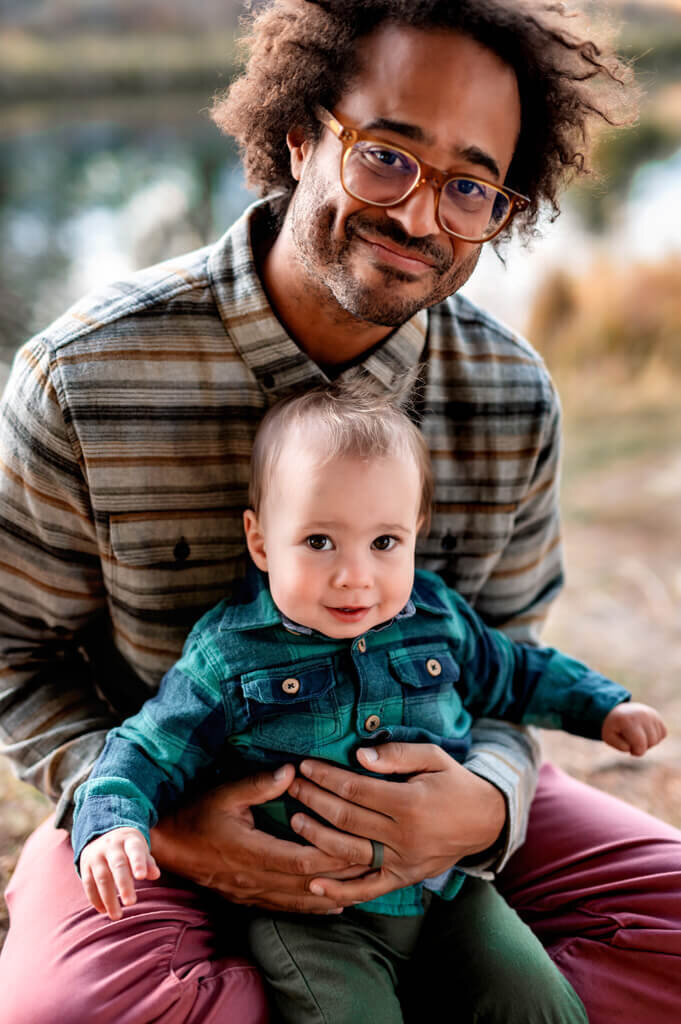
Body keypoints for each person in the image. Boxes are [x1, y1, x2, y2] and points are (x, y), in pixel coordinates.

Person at [0, 2, 679, 1022]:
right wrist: (164, 824)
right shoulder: (80, 376)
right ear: (302, 133)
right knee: (80, 1013)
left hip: (433, 801)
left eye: (467, 187)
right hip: (169, 797)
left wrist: (481, 804)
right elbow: (15, 660)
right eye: (387, 157)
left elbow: (504, 656)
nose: (417, 218)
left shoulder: (508, 392)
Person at [71, 383, 666, 1024]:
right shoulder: (230, 655)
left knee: (532, 998)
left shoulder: (438, 619)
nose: (355, 575)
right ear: (262, 540)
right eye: (320, 541)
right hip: (311, 911)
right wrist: (111, 824)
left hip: (446, 888)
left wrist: (603, 708)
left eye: (384, 543)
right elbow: (149, 747)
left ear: (415, 535)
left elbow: (518, 670)